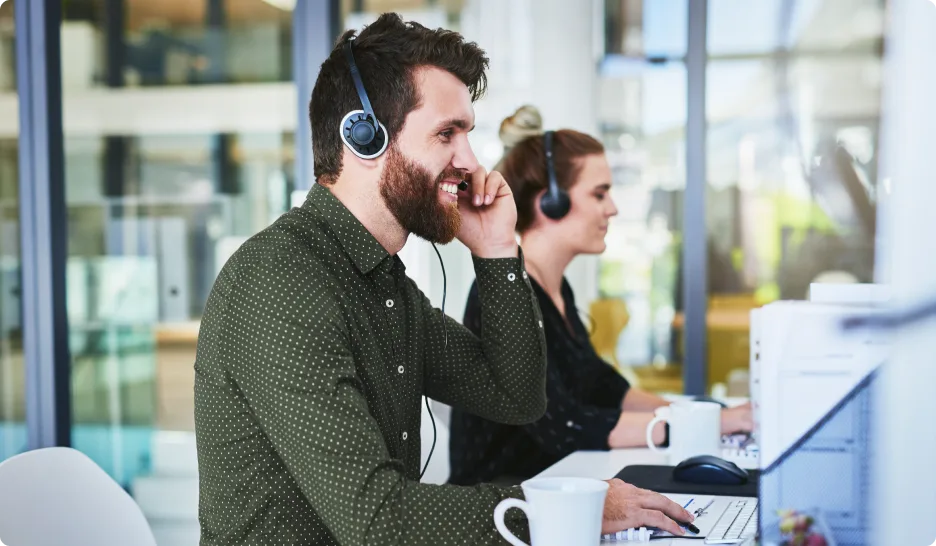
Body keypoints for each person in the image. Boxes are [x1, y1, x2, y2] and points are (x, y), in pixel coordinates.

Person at [194, 14, 694, 546]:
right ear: (364, 137)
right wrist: (565, 509)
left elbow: (517, 397)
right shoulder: (281, 281)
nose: (471, 162)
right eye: (446, 134)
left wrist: (499, 253)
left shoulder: (386, 285)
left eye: (468, 134)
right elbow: (378, 519)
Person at [448, 106, 754, 486]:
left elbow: (607, 389)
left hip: (557, 487)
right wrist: (714, 422)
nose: (613, 208)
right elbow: (565, 425)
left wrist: (710, 416)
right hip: (502, 508)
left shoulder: (556, 289)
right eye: (599, 193)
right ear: (550, 202)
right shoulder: (502, 294)